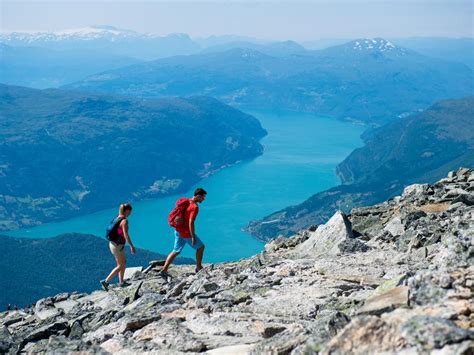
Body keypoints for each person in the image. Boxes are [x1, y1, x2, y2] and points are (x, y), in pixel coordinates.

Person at [161, 188, 207, 277]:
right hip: (186, 232)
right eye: (202, 197)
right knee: (201, 247)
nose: (203, 199)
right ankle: (198, 267)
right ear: (198, 196)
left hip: (178, 229)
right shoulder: (195, 207)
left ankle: (164, 270)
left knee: (176, 251)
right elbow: (191, 222)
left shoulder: (185, 201)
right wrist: (192, 236)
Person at [101, 203, 136, 291]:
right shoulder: (124, 221)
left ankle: (121, 282)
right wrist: (131, 246)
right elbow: (126, 235)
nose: (130, 213)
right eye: (130, 211)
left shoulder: (117, 218)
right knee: (121, 265)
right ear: (127, 211)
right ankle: (106, 281)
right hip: (118, 246)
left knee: (122, 263)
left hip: (113, 244)